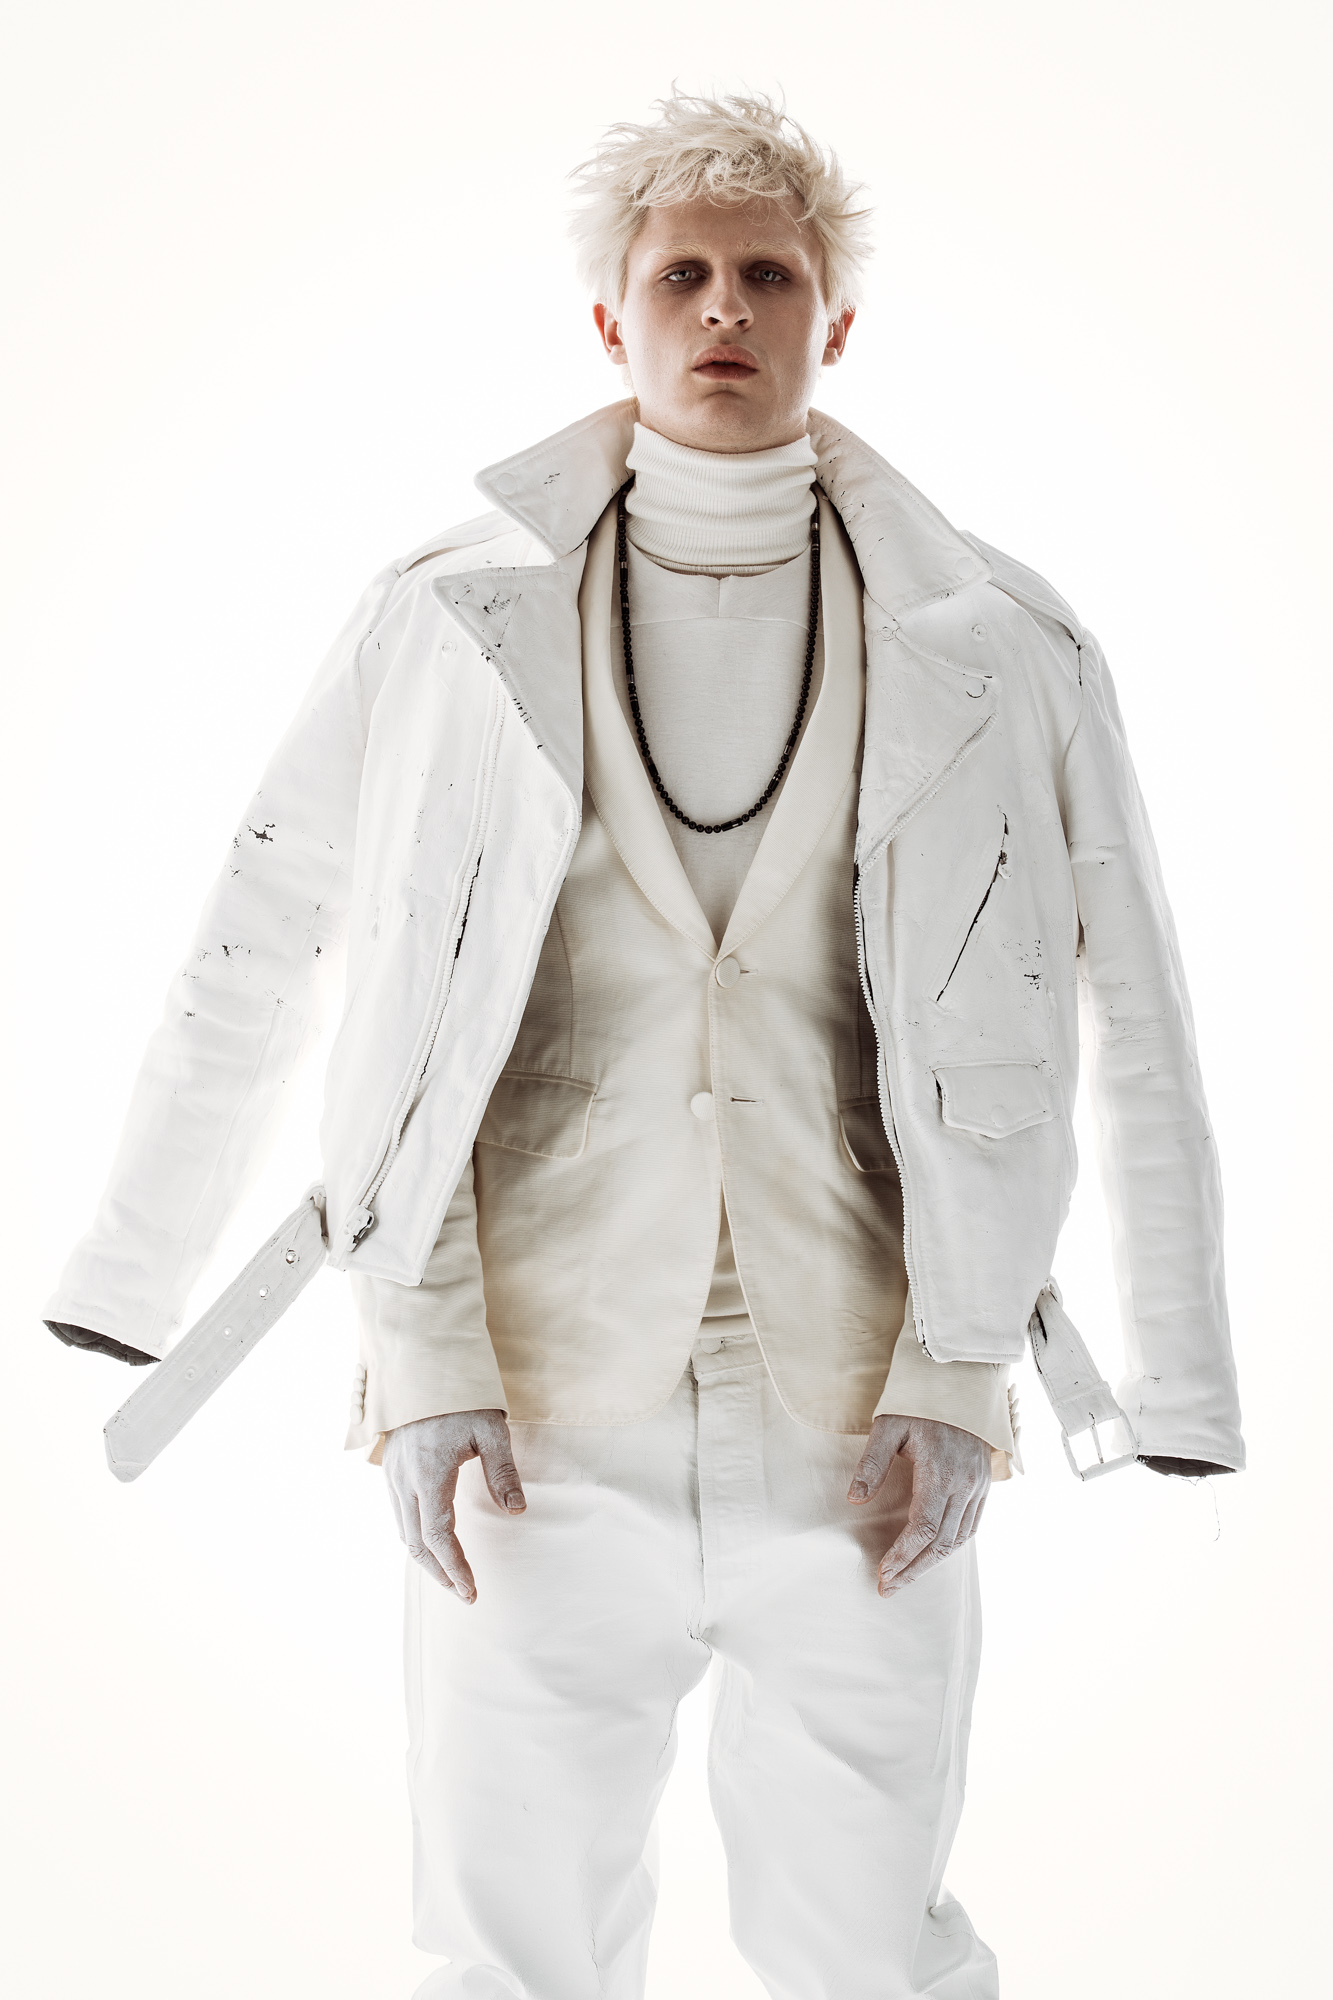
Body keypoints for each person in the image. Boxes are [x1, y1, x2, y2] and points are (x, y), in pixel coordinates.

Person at [45, 91, 1243, 1999]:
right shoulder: (447, 616)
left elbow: (1140, 1016)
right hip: (527, 1402)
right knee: (506, 1954)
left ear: (835, 321)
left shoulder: (1001, 638)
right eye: (680, 275)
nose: (724, 310)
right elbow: (264, 927)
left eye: (768, 275)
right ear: (611, 320)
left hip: (866, 1406)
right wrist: (223, 1296)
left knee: (870, 1954)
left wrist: (1054, 1377)